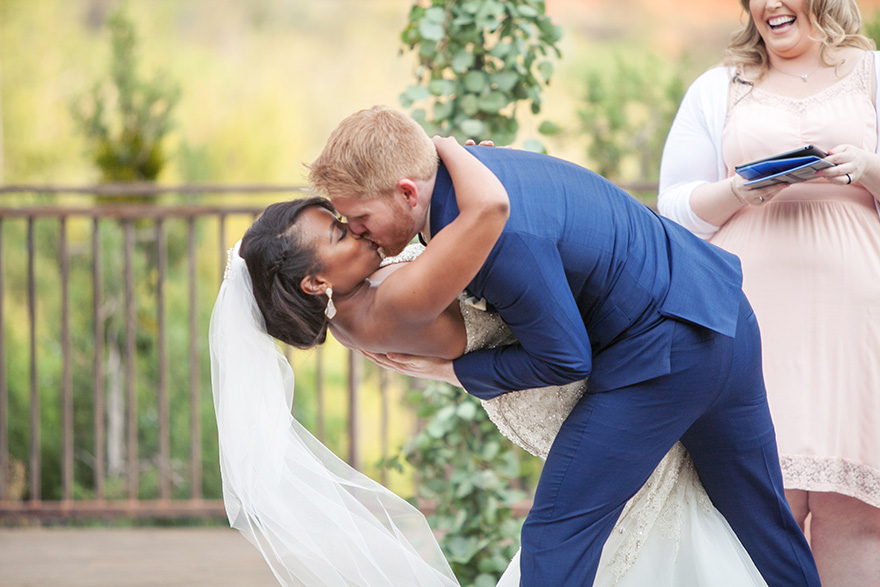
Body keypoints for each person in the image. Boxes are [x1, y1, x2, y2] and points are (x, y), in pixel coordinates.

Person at [212, 139, 768, 585]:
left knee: (592, 534)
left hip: (654, 350)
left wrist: (444, 179)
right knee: (734, 523)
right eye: (342, 231)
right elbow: (492, 210)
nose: (357, 229)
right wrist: (449, 150)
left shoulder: (366, 290)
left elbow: (462, 227)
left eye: (350, 218)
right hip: (667, 334)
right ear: (315, 283)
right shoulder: (383, 307)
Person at [657, 1, 880, 584]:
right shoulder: (718, 87)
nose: (770, 4)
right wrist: (737, 190)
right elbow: (674, 211)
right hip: (750, 318)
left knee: (858, 513)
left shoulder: (874, 74)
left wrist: (867, 167)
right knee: (757, 504)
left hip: (856, 323)